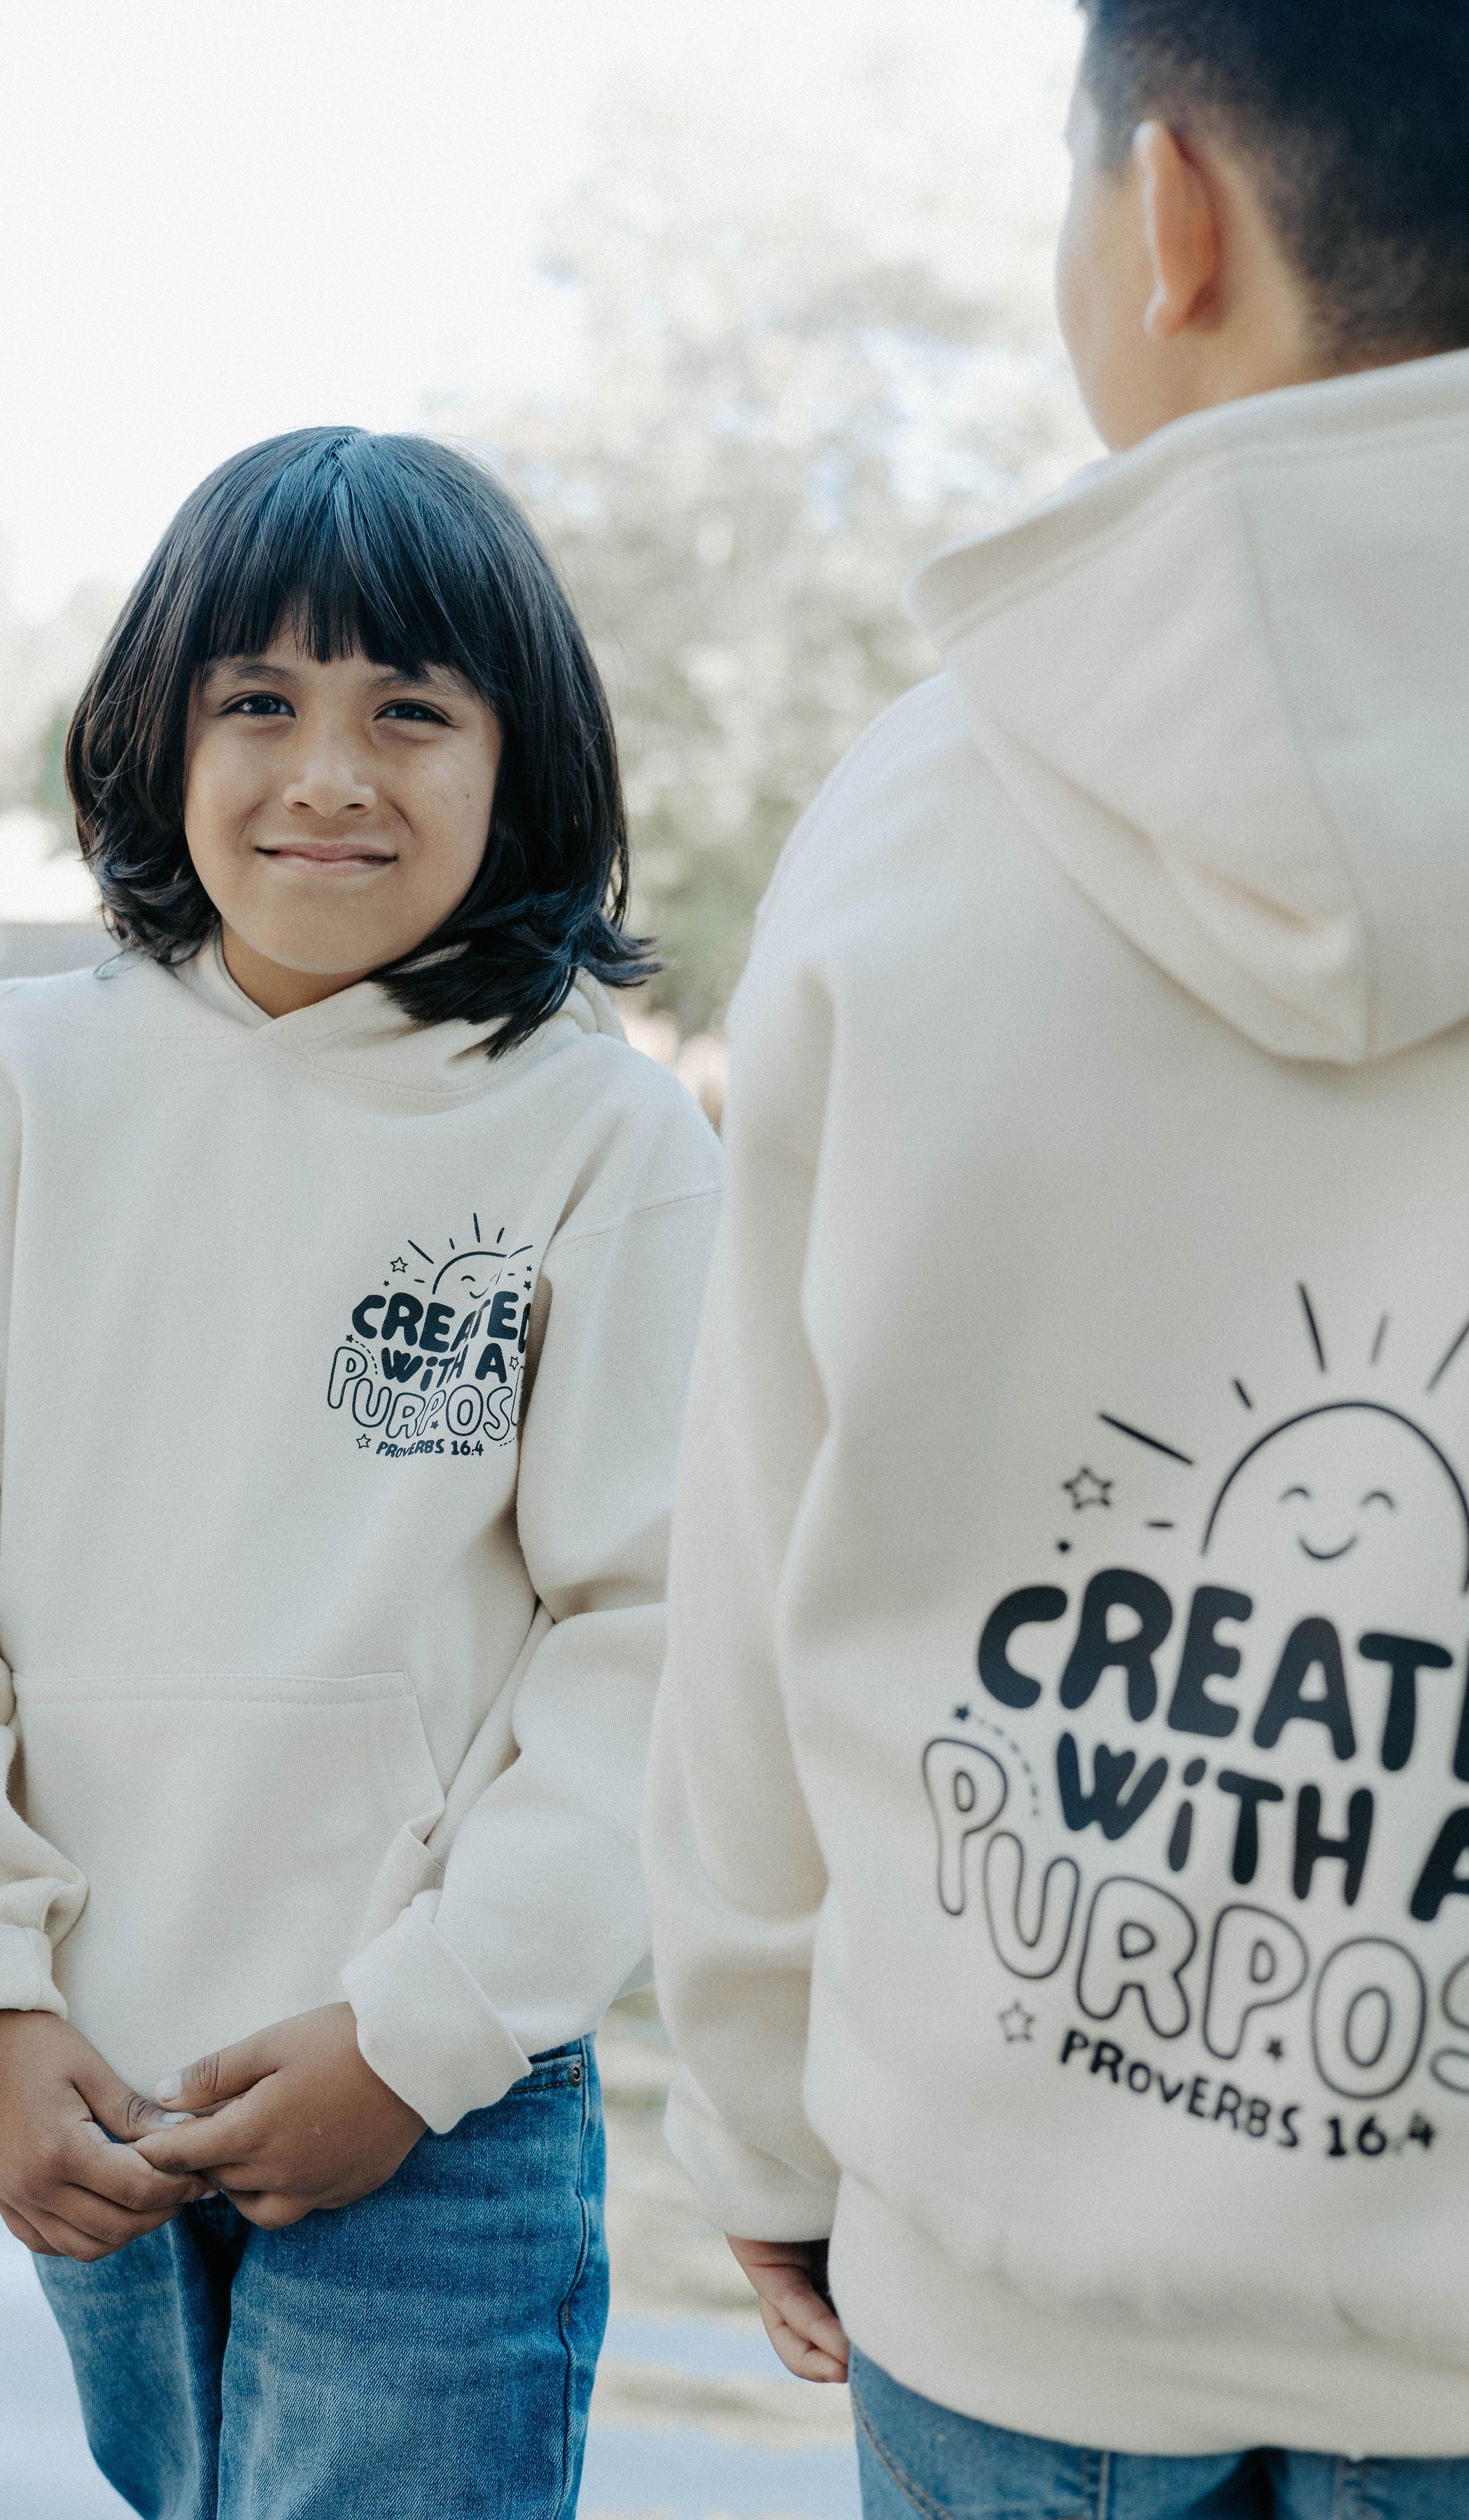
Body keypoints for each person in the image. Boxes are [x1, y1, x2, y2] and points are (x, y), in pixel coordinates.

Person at [645, 3, 1469, 2513]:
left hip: (1013, 2288)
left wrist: (770, 2129)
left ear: (1173, 216)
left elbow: (760, 1569)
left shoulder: (920, 816)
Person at [0, 426, 721, 2520]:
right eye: (262, 702)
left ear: (526, 764)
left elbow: (655, 1635)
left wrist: (420, 2032)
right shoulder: (29, 1087)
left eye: (412, 709)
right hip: (83, 2088)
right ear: (158, 734)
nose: (331, 772)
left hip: (434, 2107)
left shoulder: (601, 1140)